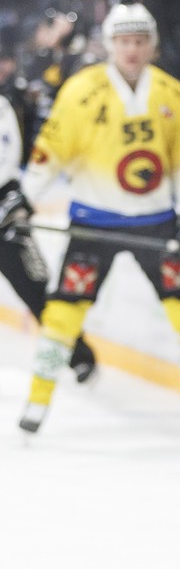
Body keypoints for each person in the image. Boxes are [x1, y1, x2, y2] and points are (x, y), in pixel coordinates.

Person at [15, 4, 180, 434]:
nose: (131, 50)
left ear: (151, 44)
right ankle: (37, 402)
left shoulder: (173, 94)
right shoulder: (80, 91)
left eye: (140, 40)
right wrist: (25, 201)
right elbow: (50, 152)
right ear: (109, 45)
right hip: (93, 224)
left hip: (158, 223)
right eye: (123, 41)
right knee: (62, 315)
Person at [0, 89, 95, 381]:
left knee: (35, 286)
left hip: (5, 212)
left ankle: (77, 353)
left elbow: (6, 157)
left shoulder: (1, 106)